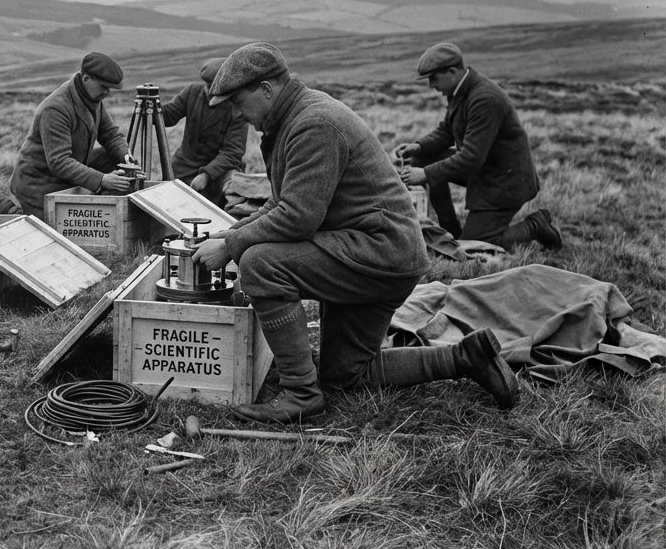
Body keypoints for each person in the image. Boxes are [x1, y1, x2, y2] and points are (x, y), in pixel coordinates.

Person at [195, 43, 518, 424]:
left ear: (266, 89)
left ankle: (300, 393)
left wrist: (233, 247)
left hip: (378, 252)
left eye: (237, 102)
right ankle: (465, 357)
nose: (236, 113)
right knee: (345, 376)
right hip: (371, 252)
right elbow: (280, 203)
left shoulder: (313, 123)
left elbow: (296, 218)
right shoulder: (292, 118)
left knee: (260, 264)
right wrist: (229, 233)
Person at [394, 42, 561, 249]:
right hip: (485, 169)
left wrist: (426, 174)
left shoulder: (484, 99)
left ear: (452, 71)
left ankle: (536, 225)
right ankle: (451, 230)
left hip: (505, 181)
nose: (430, 85)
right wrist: (418, 147)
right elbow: (447, 130)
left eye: (433, 78)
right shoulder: (460, 90)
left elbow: (471, 157)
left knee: (474, 246)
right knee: (423, 158)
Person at [7, 52, 135, 217]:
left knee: (112, 158)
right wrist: (102, 179)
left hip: (65, 173)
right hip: (40, 183)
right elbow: (59, 162)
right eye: (103, 86)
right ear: (86, 79)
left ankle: (107, 209)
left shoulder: (92, 98)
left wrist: (126, 157)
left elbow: (110, 134)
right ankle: (13, 211)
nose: (107, 92)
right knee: (52, 228)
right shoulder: (55, 109)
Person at [161, 56, 247, 207]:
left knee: (232, 187)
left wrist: (207, 175)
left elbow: (232, 152)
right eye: (207, 85)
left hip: (220, 170)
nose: (208, 90)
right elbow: (169, 116)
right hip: (185, 164)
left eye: (213, 86)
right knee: (168, 200)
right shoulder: (192, 92)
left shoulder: (237, 107)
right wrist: (154, 108)